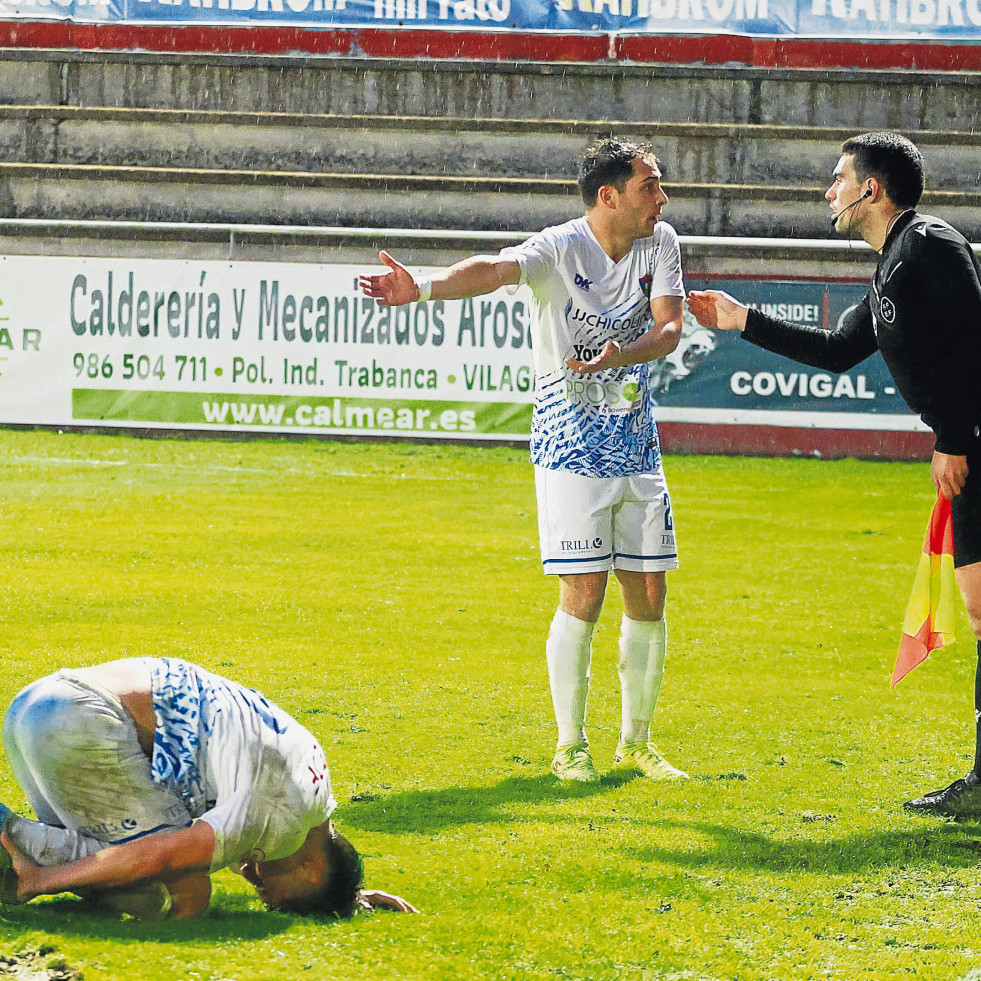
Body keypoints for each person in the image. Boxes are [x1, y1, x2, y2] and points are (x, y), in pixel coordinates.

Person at [360, 139, 689, 785]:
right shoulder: (558, 247)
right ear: (608, 195)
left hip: (636, 445)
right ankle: (570, 745)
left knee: (649, 591)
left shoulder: (662, 243)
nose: (662, 198)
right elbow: (490, 269)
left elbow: (670, 328)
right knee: (584, 590)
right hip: (569, 447)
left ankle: (637, 743)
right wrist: (421, 286)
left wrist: (615, 360)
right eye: (650, 186)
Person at [686, 131, 981, 816]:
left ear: (869, 188)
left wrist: (954, 436)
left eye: (837, 178)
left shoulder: (929, 244)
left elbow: (976, 337)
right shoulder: (891, 264)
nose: (828, 191)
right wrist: (743, 320)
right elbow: (840, 351)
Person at [0, 658, 416, 918]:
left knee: (108, 861)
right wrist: (38, 884)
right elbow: (164, 854)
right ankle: (16, 852)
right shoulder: (279, 813)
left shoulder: (310, 783)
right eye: (277, 901)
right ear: (310, 870)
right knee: (179, 892)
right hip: (80, 721)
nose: (263, 893)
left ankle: (19, 844)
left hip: (39, 701)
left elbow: (242, 838)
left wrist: (346, 896)